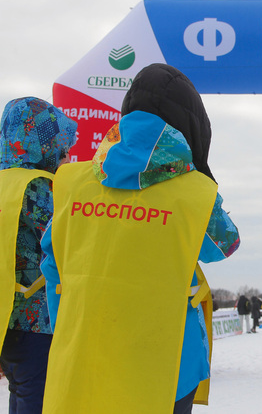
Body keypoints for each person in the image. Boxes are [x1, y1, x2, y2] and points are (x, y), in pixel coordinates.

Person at [39, 63, 240, 413]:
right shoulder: (197, 193)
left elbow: (52, 262)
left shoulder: (70, 182)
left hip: (87, 348)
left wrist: (67, 330)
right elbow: (225, 245)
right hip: (168, 361)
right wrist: (201, 176)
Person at [0, 97, 77, 414]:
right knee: (37, 398)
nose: (66, 153)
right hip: (37, 322)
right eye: (61, 146)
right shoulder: (38, 187)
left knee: (20, 391)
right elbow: (68, 238)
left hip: (7, 318)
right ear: (42, 143)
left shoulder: (5, 182)